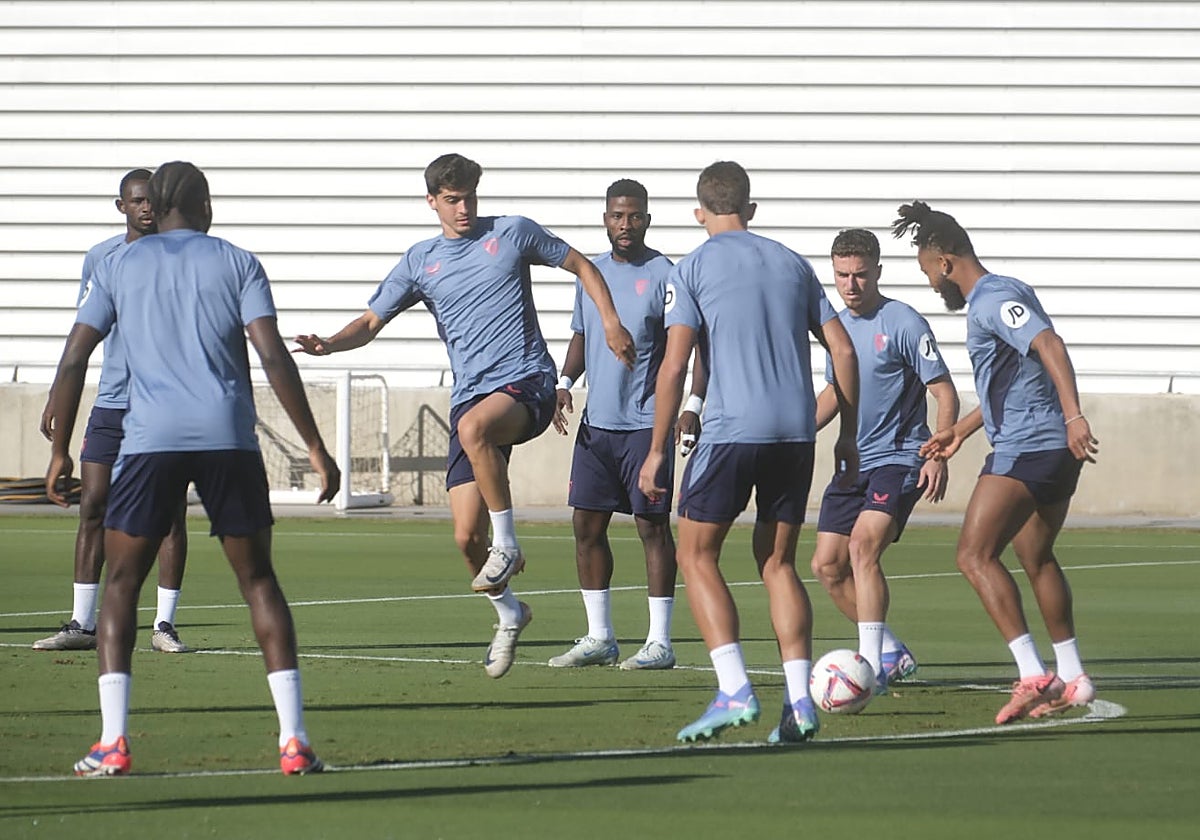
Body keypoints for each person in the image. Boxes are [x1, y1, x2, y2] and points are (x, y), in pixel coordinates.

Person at [43, 161, 338, 776]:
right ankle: (294, 741)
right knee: (259, 582)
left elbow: (75, 357)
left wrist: (58, 448)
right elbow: (272, 353)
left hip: (149, 440)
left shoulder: (117, 265)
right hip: (228, 437)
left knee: (121, 583)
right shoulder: (237, 261)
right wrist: (314, 445)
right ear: (202, 203)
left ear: (161, 202)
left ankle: (113, 742)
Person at [293, 153, 635, 679]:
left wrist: (610, 323)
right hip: (470, 397)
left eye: (470, 196)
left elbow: (582, 265)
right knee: (463, 537)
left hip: (529, 383)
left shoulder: (513, 233)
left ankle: (509, 543)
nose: (464, 208)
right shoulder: (420, 261)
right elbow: (369, 321)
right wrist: (329, 346)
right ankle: (510, 612)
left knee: (476, 431)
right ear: (432, 201)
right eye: (452, 200)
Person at [637, 161, 860, 744]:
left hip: (733, 430)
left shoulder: (692, 267)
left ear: (698, 212)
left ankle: (734, 689)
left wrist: (657, 449)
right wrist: (849, 432)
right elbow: (843, 352)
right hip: (795, 433)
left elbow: (675, 364)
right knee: (779, 564)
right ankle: (799, 704)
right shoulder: (793, 263)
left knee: (696, 555)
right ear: (751, 208)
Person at [893, 199, 1099, 724]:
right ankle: (1072, 675)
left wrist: (1075, 415)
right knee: (1036, 557)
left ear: (944, 263)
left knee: (973, 555)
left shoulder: (993, 299)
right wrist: (959, 431)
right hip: (1049, 446)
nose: (930, 285)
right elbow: (1010, 379)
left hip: (1030, 447)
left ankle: (1033, 672)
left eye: (926, 272)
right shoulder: (1010, 290)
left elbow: (1049, 343)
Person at [34, 169, 192, 655]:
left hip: (164, 405)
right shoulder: (101, 259)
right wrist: (58, 397)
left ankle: (164, 626)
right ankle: (82, 623)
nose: (146, 208)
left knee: (168, 515)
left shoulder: (182, 256)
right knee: (93, 506)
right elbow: (81, 334)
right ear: (121, 205)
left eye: (153, 201)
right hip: (111, 402)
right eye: (137, 201)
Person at [549, 179, 704, 671]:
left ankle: (660, 642)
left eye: (634, 216)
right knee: (585, 525)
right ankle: (600, 637)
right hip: (598, 426)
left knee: (652, 528)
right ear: (605, 219)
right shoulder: (589, 274)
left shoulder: (666, 274)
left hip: (644, 427)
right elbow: (581, 333)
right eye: (617, 216)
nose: (625, 225)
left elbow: (691, 347)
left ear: (647, 220)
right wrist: (564, 380)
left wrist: (690, 405)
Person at [808, 228, 960, 695]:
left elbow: (944, 392)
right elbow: (837, 391)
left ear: (877, 271)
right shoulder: (834, 326)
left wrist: (937, 451)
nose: (850, 285)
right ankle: (890, 650)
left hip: (899, 458)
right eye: (841, 276)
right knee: (826, 567)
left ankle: (870, 668)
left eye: (859, 275)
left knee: (862, 548)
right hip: (852, 462)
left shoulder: (903, 322)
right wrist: (792, 432)